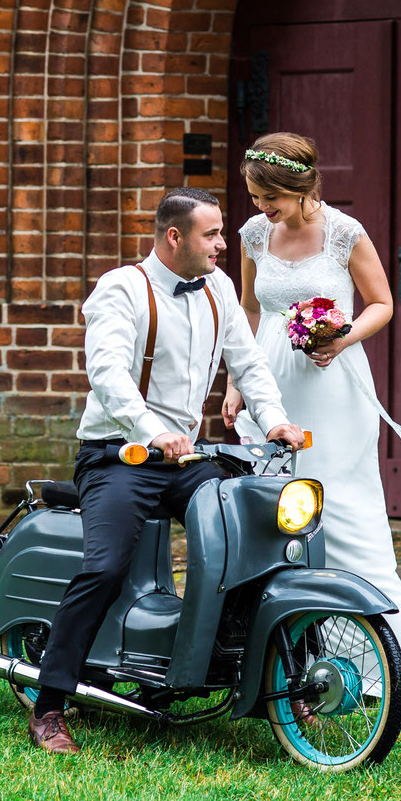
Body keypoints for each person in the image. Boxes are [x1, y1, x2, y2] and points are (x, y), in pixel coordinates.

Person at [29, 187, 304, 754]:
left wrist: (276, 420)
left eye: (223, 233)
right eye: (212, 235)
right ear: (174, 237)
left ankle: (255, 672)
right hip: (118, 457)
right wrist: (152, 431)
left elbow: (248, 363)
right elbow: (107, 374)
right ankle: (50, 704)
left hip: (187, 459)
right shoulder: (121, 289)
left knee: (254, 538)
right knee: (105, 568)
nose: (224, 245)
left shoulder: (220, 288)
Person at [222, 133, 401, 698]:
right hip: (270, 383)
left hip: (331, 386)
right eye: (256, 197)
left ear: (300, 187)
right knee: (270, 511)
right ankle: (276, 650)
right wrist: (238, 382)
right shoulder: (253, 234)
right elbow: (248, 309)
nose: (262, 208)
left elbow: (381, 302)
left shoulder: (344, 233)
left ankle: (379, 655)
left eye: (271, 197)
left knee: (337, 507)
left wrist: (341, 337)